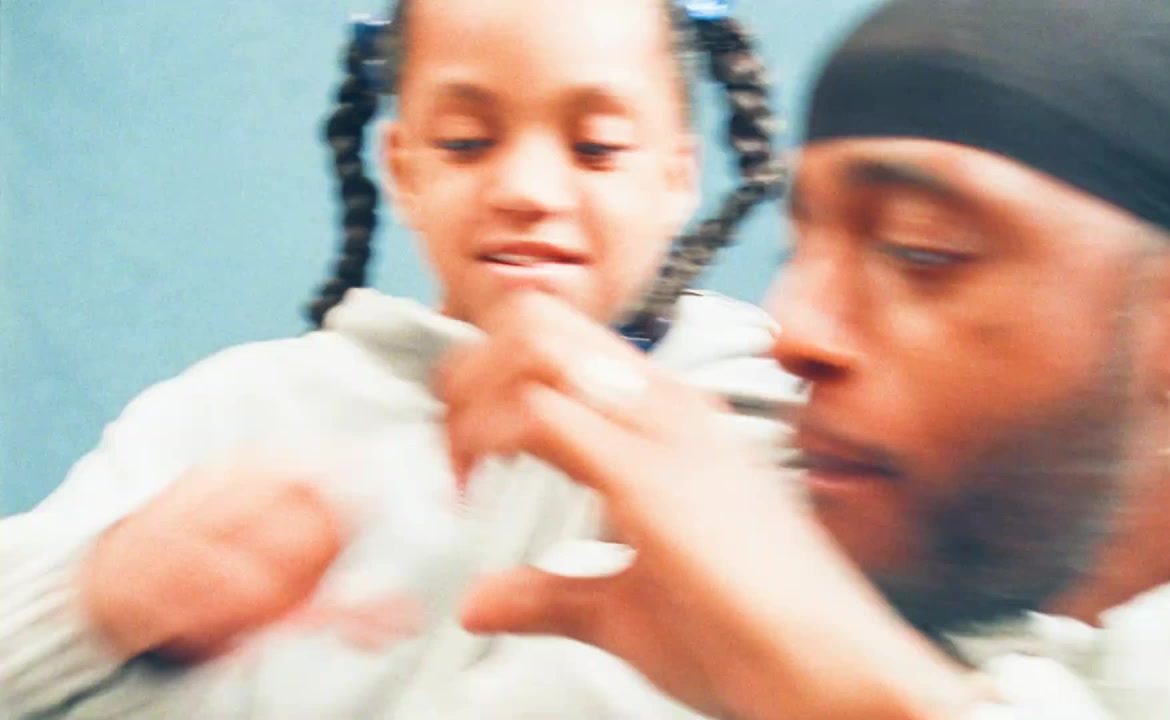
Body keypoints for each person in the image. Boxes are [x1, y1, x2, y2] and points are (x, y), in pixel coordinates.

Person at [438, 0, 1170, 717]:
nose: (793, 330)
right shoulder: (658, 622)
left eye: (922, 250)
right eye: (798, 246)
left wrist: (848, 690)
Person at [0, 1, 795, 718]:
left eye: (596, 148)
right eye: (466, 143)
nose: (527, 189)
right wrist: (101, 600)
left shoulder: (761, 428)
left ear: (678, 177)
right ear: (403, 167)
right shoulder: (230, 413)